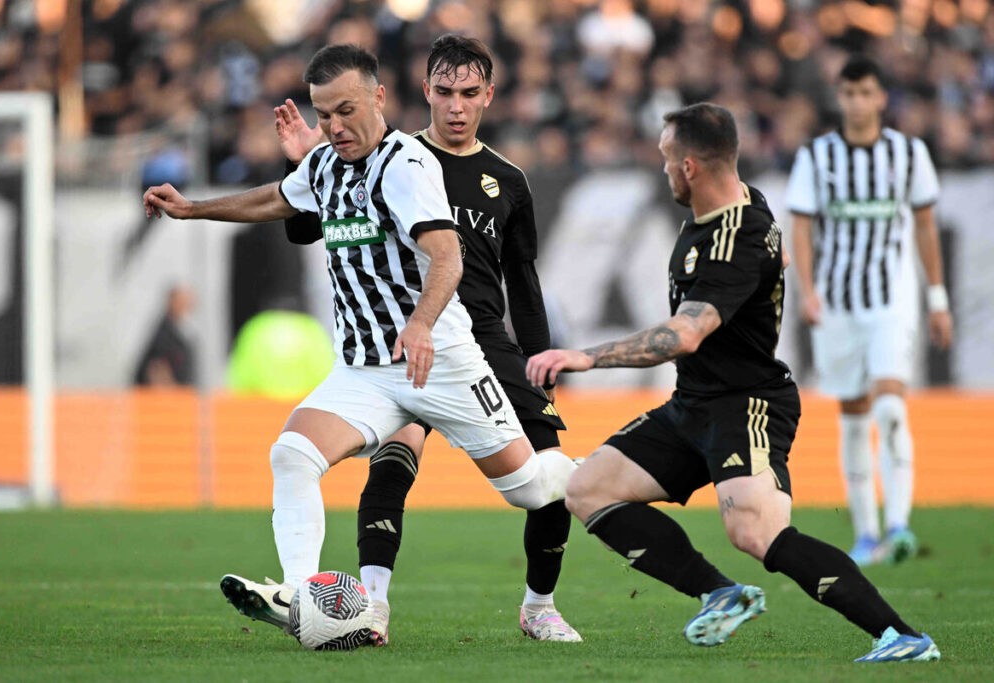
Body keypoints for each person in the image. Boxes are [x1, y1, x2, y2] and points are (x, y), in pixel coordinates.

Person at [142, 44, 577, 644]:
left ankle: (608, 469)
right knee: (292, 454)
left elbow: (447, 259)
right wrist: (193, 210)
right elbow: (279, 198)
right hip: (367, 369)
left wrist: (421, 324)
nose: (335, 127)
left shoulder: (406, 166)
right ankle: (298, 595)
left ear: (379, 98)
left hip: (442, 363)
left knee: (532, 487)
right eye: (324, 116)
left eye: (345, 110)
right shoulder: (325, 165)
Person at [526, 103, 939, 662]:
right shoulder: (740, 203)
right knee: (589, 489)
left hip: (747, 404)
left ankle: (902, 636)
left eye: (668, 159)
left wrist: (584, 357)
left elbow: (684, 336)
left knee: (756, 533)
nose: (664, 169)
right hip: (693, 402)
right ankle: (718, 593)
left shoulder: (736, 236)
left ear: (691, 166)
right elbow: (781, 258)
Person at [276, 35, 579, 644]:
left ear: (489, 96)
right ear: (425, 93)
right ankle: (371, 606)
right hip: (401, 344)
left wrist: (540, 359)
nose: (456, 106)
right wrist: (304, 165)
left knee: (544, 484)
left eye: (469, 94)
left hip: (482, 343)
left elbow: (523, 281)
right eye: (444, 92)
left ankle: (539, 605)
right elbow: (310, 228)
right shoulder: (390, 156)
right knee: (391, 464)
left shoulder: (508, 181)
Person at [786, 56, 953, 566]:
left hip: (892, 300)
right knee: (854, 418)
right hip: (837, 303)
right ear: (839, 98)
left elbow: (926, 226)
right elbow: (802, 229)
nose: (857, 102)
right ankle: (866, 534)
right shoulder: (817, 156)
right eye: (849, 93)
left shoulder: (908, 154)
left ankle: (899, 524)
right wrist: (808, 292)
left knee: (890, 405)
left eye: (866, 93)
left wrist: (937, 298)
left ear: (882, 98)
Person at [133, 286, 195, 386]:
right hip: (166, 398)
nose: (185, 307)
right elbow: (156, 369)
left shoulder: (181, 332)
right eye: (181, 302)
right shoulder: (162, 334)